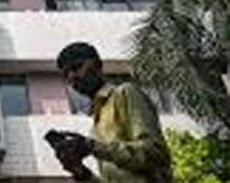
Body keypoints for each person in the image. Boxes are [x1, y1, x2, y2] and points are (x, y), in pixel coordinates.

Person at [51, 42, 173, 182]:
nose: (72, 76)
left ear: (98, 65)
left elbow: (156, 154)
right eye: (66, 74)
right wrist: (80, 171)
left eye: (77, 67)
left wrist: (92, 147)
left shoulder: (125, 93)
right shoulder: (96, 122)